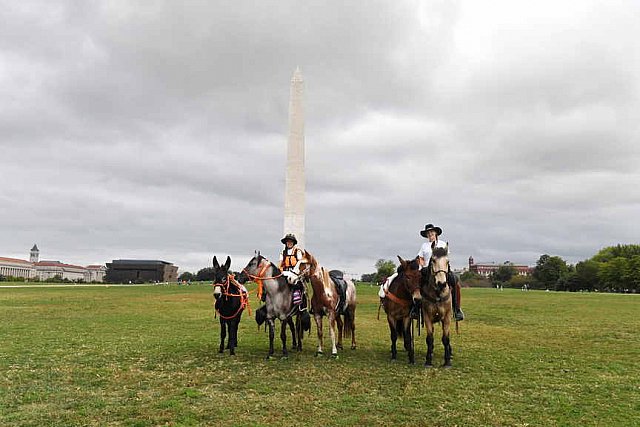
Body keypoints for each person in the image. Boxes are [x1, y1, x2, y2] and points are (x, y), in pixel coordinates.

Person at [418, 224, 464, 321]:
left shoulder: (443, 244)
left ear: (435, 233)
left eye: (432, 232)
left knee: (455, 282)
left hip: (442, 269)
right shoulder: (424, 246)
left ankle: (457, 309)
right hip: (428, 269)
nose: (430, 234)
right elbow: (420, 258)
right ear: (426, 235)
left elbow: (446, 257)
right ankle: (416, 309)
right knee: (416, 283)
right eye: (428, 233)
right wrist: (422, 264)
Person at [278, 234, 307, 309]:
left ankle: (300, 303)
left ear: (293, 243)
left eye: (291, 242)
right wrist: (280, 270)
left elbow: (300, 263)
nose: (289, 243)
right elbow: (280, 263)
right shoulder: (283, 252)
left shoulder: (297, 251)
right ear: (286, 243)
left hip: (296, 273)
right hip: (285, 272)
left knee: (297, 286)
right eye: (288, 242)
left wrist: (297, 272)